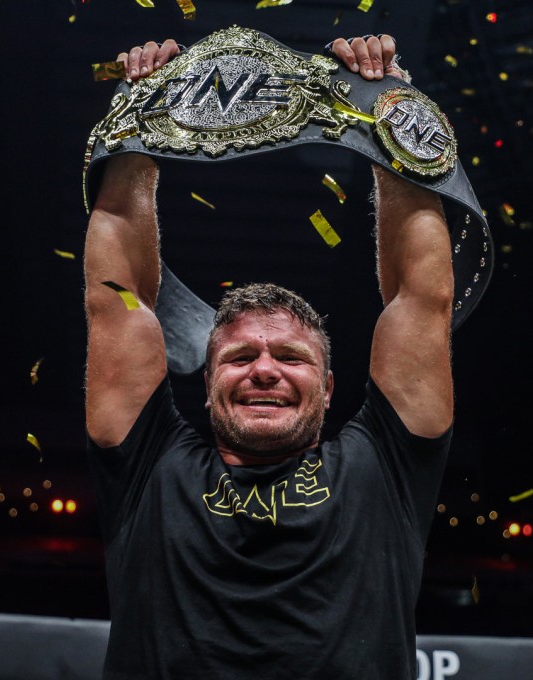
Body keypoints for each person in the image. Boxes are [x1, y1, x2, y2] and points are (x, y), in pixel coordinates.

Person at [84, 35, 454, 680]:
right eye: (238, 357)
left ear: (330, 386)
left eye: (290, 355)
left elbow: (420, 297)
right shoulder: (147, 466)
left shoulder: (386, 466)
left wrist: (389, 112)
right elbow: (116, 299)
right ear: (205, 384)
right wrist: (135, 122)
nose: (263, 369)